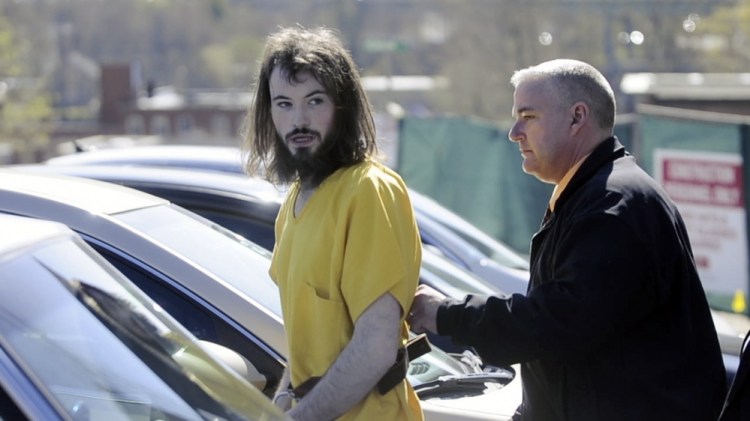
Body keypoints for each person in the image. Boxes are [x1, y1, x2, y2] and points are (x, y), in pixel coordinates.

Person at [407, 58, 727, 420]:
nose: (514, 132)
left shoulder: (612, 203)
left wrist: (446, 314)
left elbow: (557, 324)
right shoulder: (596, 193)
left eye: (528, 116)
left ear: (577, 117)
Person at [242, 26, 423, 421]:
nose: (299, 120)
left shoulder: (369, 190)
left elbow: (375, 347)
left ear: (343, 106)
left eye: (315, 101)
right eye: (284, 104)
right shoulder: (294, 201)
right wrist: (284, 401)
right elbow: (309, 348)